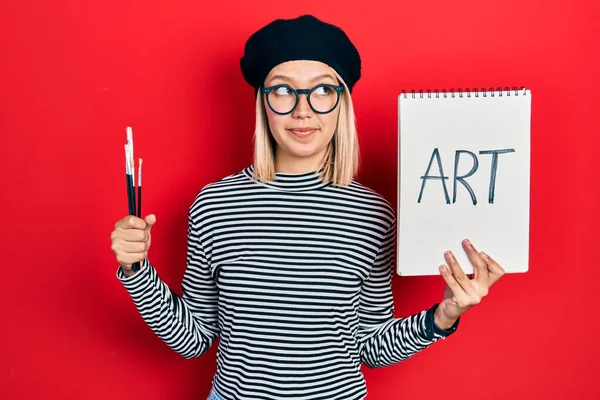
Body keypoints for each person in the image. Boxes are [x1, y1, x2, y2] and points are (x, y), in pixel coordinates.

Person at [110, 14, 506, 400]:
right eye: (283, 90)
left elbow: (370, 346)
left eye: (322, 91)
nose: (303, 110)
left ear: (341, 104)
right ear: (262, 102)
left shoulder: (374, 214)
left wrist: (444, 316)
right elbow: (194, 339)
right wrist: (136, 269)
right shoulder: (214, 205)